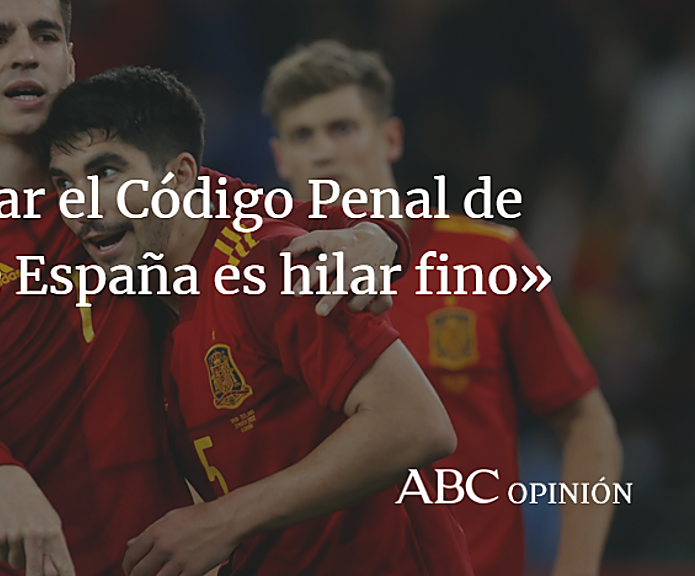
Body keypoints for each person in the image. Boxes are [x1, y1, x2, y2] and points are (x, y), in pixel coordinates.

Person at [0, 0, 413, 576]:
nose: (25, 55)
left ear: (71, 62)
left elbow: (306, 219)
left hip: (139, 559)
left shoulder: (131, 194)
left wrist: (381, 238)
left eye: (45, 35)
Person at [39, 65, 473, 576]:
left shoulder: (266, 267)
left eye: (106, 173)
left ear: (179, 177)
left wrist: (222, 522)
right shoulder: (144, 300)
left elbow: (417, 424)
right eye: (64, 183)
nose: (81, 208)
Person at [262, 39, 623, 576]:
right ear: (279, 157)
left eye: (342, 128)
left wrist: (577, 568)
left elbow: (587, 422)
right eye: (302, 135)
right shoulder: (258, 285)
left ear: (391, 137)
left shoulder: (489, 255)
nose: (322, 152)